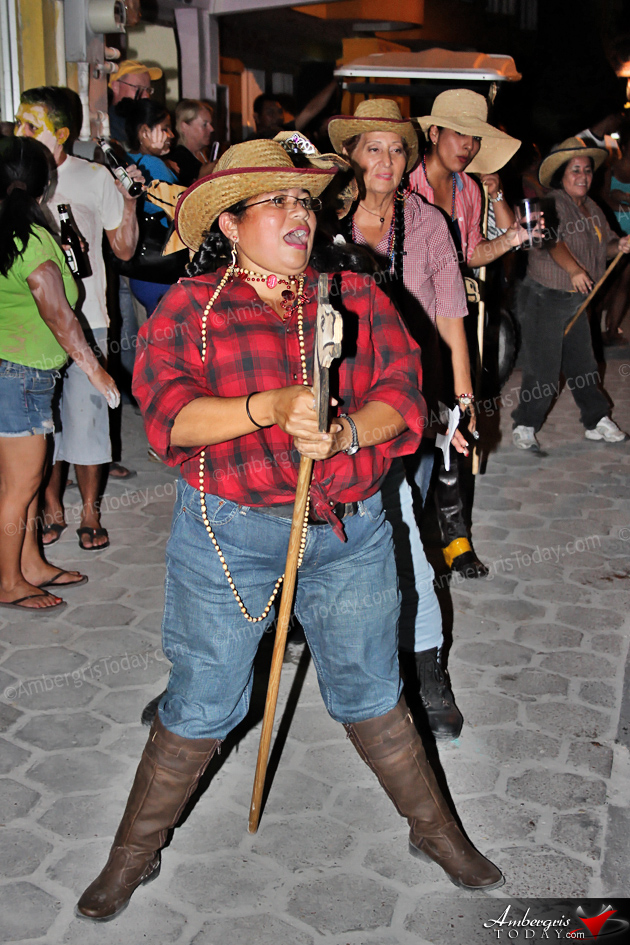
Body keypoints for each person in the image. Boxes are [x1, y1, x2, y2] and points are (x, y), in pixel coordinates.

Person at [75, 138, 504, 921]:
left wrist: (343, 435)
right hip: (229, 534)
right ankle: (132, 853)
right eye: (274, 202)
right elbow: (169, 417)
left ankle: (435, 829)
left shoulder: (357, 296)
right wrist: (268, 408)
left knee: (373, 688)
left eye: (303, 199)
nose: (297, 214)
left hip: (347, 532)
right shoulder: (193, 310)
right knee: (205, 700)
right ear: (231, 226)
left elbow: (405, 401)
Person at [328, 99, 473, 738]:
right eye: (372, 148)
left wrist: (462, 403)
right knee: (310, 522)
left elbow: (449, 316)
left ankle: (423, 664)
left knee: (400, 521)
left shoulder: (430, 224)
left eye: (396, 149)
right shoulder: (324, 218)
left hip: (407, 400)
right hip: (333, 398)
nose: (385, 161)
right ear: (354, 155)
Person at [14, 87, 141, 550]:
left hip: (88, 318)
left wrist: (129, 201)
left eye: (32, 125)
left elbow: (124, 249)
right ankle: (51, 505)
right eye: (18, 123)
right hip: (30, 328)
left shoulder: (92, 177)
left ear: (62, 134)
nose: (19, 133)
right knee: (45, 422)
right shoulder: (15, 181)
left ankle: (91, 509)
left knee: (87, 417)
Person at [0, 138, 120, 611]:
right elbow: (57, 311)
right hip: (21, 376)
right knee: (19, 487)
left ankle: (31, 564)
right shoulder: (29, 237)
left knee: (24, 483)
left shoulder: (12, 230)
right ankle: (8, 582)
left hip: (19, 374)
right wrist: (96, 372)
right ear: (46, 183)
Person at [409, 89, 523, 580]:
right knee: (413, 421)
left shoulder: (470, 189)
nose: (469, 146)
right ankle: (414, 542)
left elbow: (471, 253)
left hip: (458, 316)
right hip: (411, 317)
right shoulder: (403, 183)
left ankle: (455, 537)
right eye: (460, 134)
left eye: (475, 137)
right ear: (433, 133)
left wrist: (510, 240)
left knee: (458, 420)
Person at [511, 137, 630, 449]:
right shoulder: (549, 202)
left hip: (578, 300)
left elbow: (605, 248)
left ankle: (596, 420)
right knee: (544, 371)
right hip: (544, 297)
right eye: (575, 170)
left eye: (587, 171)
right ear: (561, 176)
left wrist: (621, 245)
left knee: (584, 364)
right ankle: (525, 423)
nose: (583, 176)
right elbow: (551, 241)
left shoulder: (593, 209)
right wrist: (574, 270)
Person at [116, 98, 178, 317]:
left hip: (141, 271)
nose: (171, 135)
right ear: (144, 132)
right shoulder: (152, 166)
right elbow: (182, 208)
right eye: (165, 129)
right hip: (161, 272)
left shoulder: (130, 159)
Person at [601, 120, 630, 346]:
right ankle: (593, 329)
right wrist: (625, 206)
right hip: (613, 230)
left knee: (625, 282)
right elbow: (603, 199)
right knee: (607, 281)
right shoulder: (611, 167)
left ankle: (611, 330)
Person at [250, 81, 338, 140]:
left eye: (280, 112)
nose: (277, 117)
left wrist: (337, 80)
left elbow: (311, 110)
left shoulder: (286, 134)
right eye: (270, 112)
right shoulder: (248, 144)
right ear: (257, 117)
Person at [108, 60, 163, 148]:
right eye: (138, 88)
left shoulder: (148, 121)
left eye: (148, 90)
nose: (145, 96)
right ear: (116, 86)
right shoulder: (108, 127)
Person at [169, 99, 214, 186]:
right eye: (204, 124)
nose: (212, 129)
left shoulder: (206, 153)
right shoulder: (179, 159)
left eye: (210, 124)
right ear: (184, 126)